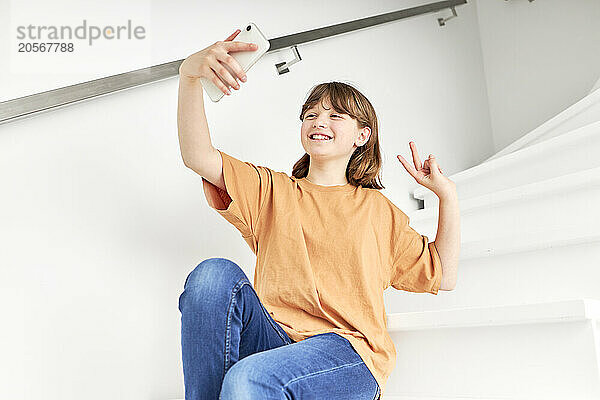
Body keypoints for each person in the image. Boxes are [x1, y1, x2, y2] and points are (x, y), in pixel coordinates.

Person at [177, 29, 460, 400]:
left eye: (336, 115)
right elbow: (198, 157)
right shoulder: (272, 191)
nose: (318, 121)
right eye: (310, 114)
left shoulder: (378, 211)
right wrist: (189, 76)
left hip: (348, 354)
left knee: (249, 378)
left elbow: (444, 274)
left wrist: (448, 196)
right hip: (274, 343)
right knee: (212, 276)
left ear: (362, 136)